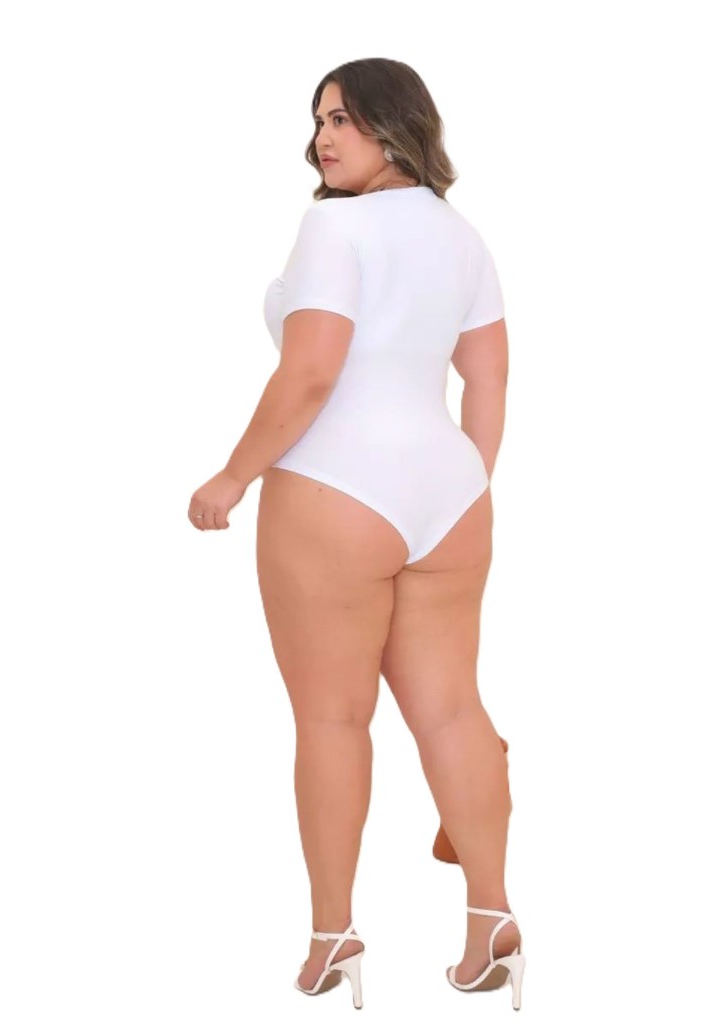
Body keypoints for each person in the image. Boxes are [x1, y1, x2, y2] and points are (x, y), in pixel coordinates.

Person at [187, 58, 525, 1011]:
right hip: (449, 495)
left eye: (344, 118)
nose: (324, 138)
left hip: (335, 490)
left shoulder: (332, 228)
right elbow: (489, 377)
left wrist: (233, 475)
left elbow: (310, 374)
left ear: (395, 124)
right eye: (319, 120)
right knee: (452, 711)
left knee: (333, 719)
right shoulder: (463, 237)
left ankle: (333, 938)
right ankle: (491, 919)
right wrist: (467, 479)